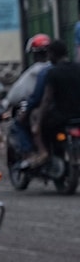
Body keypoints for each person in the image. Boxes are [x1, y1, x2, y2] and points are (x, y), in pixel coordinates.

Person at [25, 39, 80, 167]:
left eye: (49, 54)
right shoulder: (78, 68)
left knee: (34, 115)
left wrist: (38, 122)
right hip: (78, 115)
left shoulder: (52, 72)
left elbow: (47, 99)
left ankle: (43, 151)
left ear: (54, 54)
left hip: (61, 117)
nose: (48, 58)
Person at [0, 34, 51, 158]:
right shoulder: (55, 68)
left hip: (41, 109)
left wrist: (5, 103)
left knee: (18, 125)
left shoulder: (35, 71)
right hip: (60, 111)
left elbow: (17, 92)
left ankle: (29, 154)